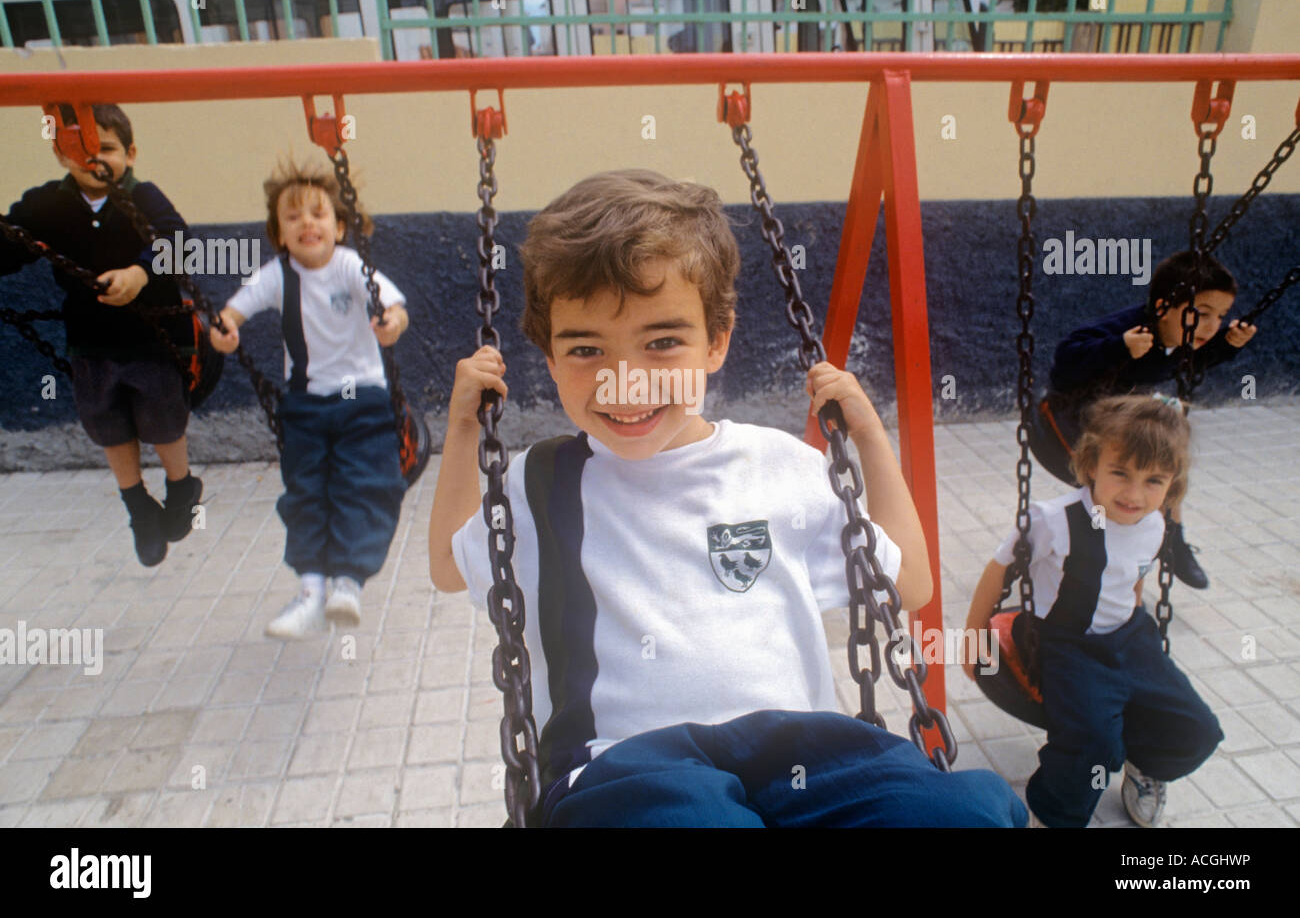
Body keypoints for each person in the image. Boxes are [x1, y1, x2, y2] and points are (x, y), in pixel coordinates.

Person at [428, 169, 1026, 827]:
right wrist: (463, 430)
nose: (625, 380)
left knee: (958, 812)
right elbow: (451, 566)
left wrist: (870, 439)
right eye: (587, 348)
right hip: (630, 763)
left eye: (662, 342)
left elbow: (909, 583)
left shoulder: (781, 466)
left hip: (807, 751)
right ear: (547, 357)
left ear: (717, 340)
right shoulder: (539, 481)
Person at [966, 394, 1223, 828]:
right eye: (1120, 473)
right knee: (1093, 746)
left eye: (1154, 480)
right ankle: (1054, 813)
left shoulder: (1156, 523)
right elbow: (998, 571)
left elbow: (1136, 574)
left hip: (1130, 635)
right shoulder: (1052, 520)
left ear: (1172, 484)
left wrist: (1135, 622)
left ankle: (1144, 764)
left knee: (1197, 730)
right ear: (1091, 466)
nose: (1134, 494)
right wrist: (972, 643)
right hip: (1066, 644)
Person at [210, 159, 409, 640]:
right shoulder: (277, 275)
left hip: (362, 400)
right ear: (279, 233)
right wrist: (224, 331)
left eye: (318, 213)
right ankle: (310, 592)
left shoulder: (350, 265)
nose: (306, 224)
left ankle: (348, 581)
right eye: (293, 217)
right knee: (305, 493)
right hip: (305, 405)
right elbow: (235, 310)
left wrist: (390, 326)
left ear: (339, 227)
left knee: (362, 486)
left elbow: (395, 307)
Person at [1, 103, 202, 567]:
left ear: (129, 154)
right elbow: (10, 246)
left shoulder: (143, 196)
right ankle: (137, 507)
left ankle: (180, 484)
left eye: (106, 148)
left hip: (153, 340)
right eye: (78, 149)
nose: (94, 159)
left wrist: (141, 272)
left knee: (164, 421)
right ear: (60, 154)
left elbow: (180, 239)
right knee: (107, 425)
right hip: (91, 344)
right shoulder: (47, 203)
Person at [1030, 251, 1258, 589]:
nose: (1211, 326)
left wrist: (1228, 345)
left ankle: (1172, 541)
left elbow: (1190, 363)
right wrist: (1119, 347)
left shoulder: (1182, 333)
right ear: (1164, 307)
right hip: (1061, 420)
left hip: (1112, 415)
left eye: (1221, 316)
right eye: (1202, 313)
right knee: (1110, 491)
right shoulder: (1134, 328)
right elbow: (1065, 357)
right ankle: (1081, 558)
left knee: (1162, 463)